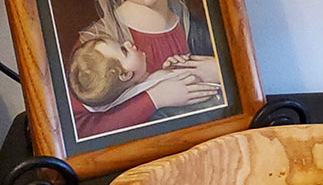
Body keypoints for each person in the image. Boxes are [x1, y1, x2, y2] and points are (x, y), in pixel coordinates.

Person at [70, 0, 220, 137]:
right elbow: (79, 129)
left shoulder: (196, 27)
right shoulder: (96, 44)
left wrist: (219, 72)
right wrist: (153, 99)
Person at [68, 37, 221, 117]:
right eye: (124, 50)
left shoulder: (155, 81)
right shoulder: (161, 95)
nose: (128, 43)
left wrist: (174, 69)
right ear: (125, 74)